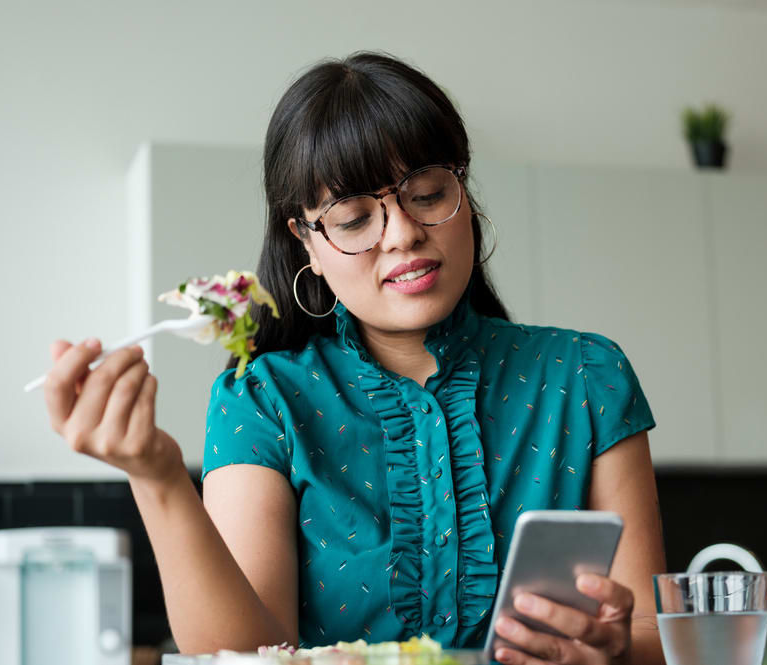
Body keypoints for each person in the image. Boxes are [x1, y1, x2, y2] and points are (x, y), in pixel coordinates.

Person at [42, 51, 665, 665]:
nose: (401, 234)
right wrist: (156, 477)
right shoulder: (262, 400)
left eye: (426, 193)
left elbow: (649, 638)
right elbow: (241, 655)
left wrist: (610, 652)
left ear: (463, 192)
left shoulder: (586, 375)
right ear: (306, 243)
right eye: (355, 218)